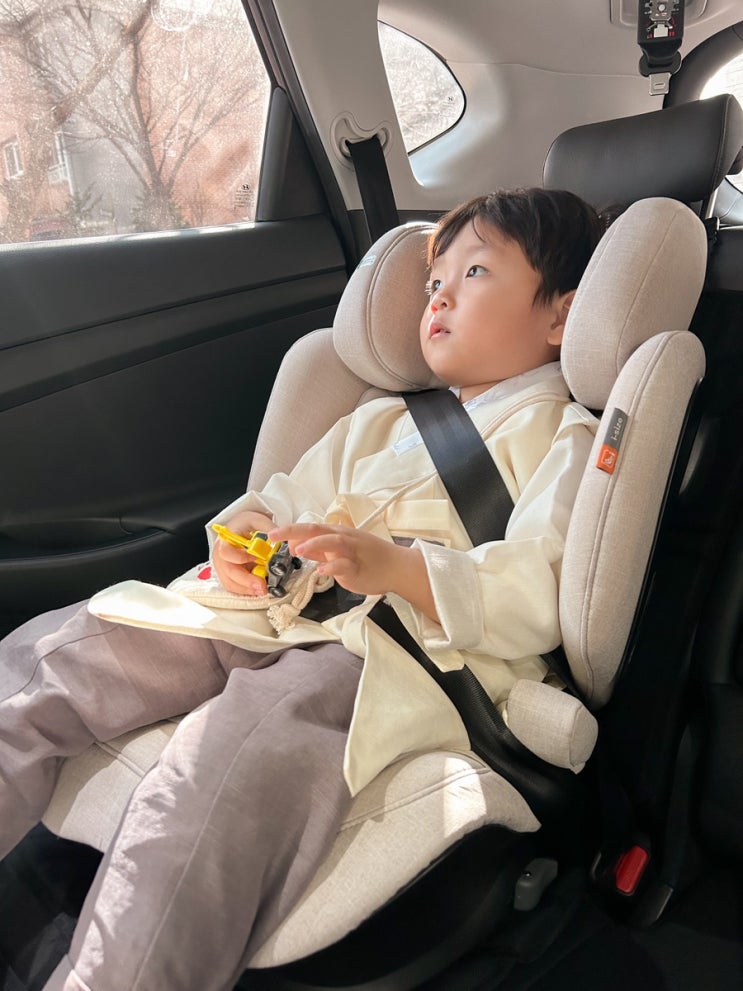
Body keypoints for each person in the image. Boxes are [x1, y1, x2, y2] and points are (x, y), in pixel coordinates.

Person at [0, 187, 606, 991]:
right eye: (433, 283)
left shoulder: (560, 435)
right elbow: (281, 499)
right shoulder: (377, 420)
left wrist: (398, 567)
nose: (438, 297)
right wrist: (242, 537)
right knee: (60, 652)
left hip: (387, 652)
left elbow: (539, 590)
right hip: (267, 612)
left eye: (474, 272)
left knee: (226, 764)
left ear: (560, 317)